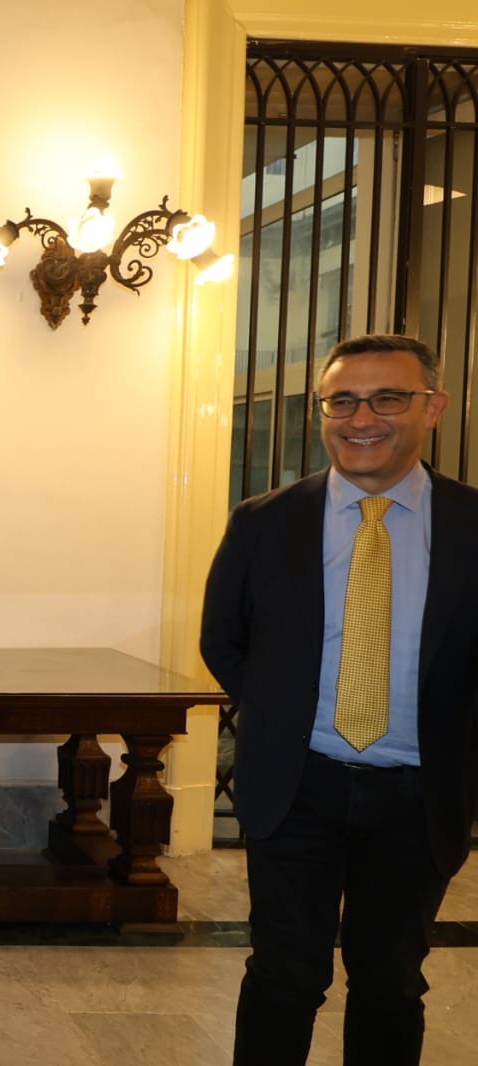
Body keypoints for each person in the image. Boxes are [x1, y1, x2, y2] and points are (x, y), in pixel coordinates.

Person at [201, 333, 478, 1065]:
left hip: (420, 798)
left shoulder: (474, 526)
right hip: (298, 789)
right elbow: (223, 641)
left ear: (435, 407)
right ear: (321, 412)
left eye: (389, 397)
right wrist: (284, 715)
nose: (363, 418)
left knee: (391, 984)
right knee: (284, 977)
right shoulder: (263, 522)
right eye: (342, 401)